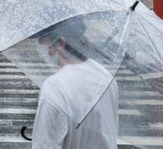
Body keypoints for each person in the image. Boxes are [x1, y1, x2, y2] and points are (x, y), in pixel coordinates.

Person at [31, 19, 119, 149]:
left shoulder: (55, 86)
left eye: (47, 45)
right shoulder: (106, 77)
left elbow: (45, 145)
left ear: (60, 43)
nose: (48, 53)